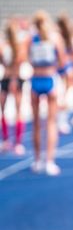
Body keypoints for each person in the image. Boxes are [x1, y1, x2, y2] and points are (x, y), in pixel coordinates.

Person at [28, 10, 67, 176]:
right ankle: (50, 162)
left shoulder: (30, 39)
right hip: (50, 79)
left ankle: (37, 160)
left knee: (37, 123)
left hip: (36, 79)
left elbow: (26, 58)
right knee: (51, 123)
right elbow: (63, 60)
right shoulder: (55, 38)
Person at [0, 18, 27, 155]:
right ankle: (11, 141)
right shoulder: (6, 46)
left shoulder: (17, 46)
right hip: (9, 78)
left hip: (13, 78)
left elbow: (18, 63)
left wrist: (13, 79)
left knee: (12, 110)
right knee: (12, 110)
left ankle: (14, 141)